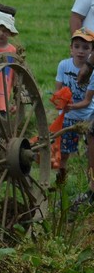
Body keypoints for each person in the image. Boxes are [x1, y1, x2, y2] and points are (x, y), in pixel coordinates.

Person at [56, 28, 94, 198]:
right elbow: (58, 91)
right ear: (70, 48)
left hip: (86, 117)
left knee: (91, 155)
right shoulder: (63, 65)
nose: (80, 51)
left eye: (85, 47)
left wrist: (71, 106)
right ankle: (60, 186)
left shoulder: (92, 72)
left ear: (92, 52)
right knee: (63, 154)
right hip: (68, 116)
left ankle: (90, 187)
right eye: (77, 46)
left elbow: (87, 101)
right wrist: (61, 104)